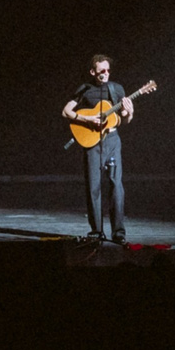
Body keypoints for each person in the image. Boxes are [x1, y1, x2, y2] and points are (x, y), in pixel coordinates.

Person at [59, 54, 138, 243]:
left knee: (115, 185)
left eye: (108, 70)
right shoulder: (85, 89)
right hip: (92, 142)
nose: (106, 73)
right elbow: (66, 111)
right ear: (93, 72)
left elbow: (124, 119)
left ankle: (118, 232)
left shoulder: (116, 89)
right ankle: (96, 231)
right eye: (102, 70)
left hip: (112, 139)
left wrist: (130, 111)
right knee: (93, 186)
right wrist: (87, 119)